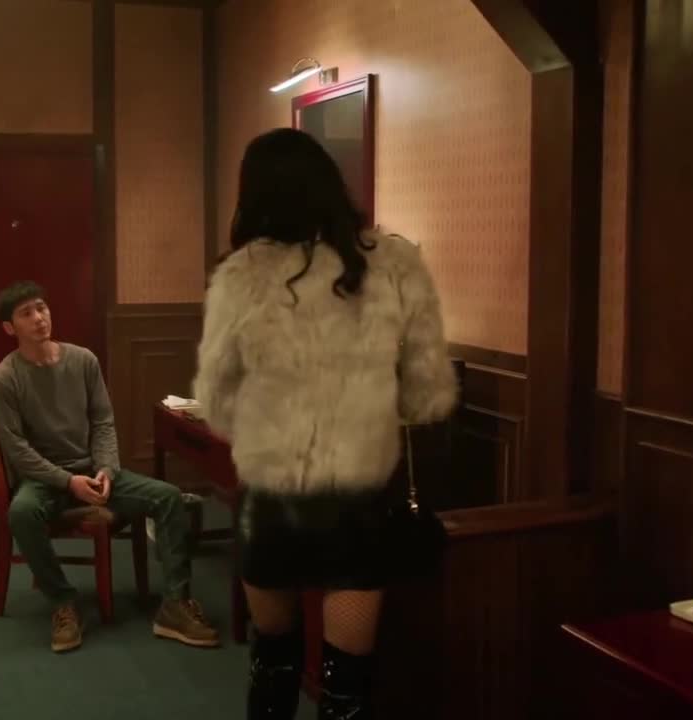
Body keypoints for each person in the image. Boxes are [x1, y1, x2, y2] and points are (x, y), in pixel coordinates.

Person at [192, 128, 458, 719]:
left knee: (273, 661)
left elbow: (216, 399)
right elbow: (428, 393)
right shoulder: (395, 263)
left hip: (271, 497)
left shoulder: (240, 275)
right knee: (346, 684)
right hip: (357, 501)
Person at [0, 280, 220, 653]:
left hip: (94, 471)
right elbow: (18, 451)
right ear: (9, 328)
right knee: (21, 513)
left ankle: (176, 604)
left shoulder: (83, 361)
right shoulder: (4, 379)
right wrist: (69, 482)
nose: (39, 318)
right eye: (26, 313)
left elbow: (103, 423)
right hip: (46, 479)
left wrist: (107, 470)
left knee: (168, 497)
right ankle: (63, 602)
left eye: (42, 308)